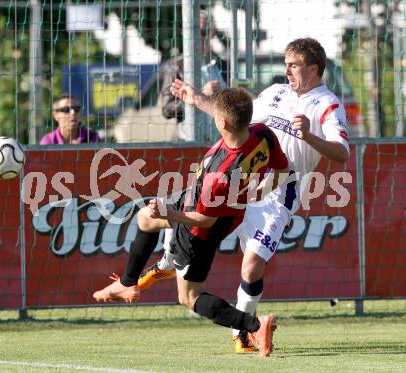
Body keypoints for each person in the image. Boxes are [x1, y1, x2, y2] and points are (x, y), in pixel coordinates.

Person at [137, 37, 350, 353]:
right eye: (287, 64)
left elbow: (342, 153)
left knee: (251, 268)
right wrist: (196, 99)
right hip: (244, 186)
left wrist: (309, 135)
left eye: (294, 65)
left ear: (314, 68)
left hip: (279, 195)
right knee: (189, 209)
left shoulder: (327, 104)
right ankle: (170, 258)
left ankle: (241, 333)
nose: (287, 71)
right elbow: (238, 121)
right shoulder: (277, 92)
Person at [93, 88, 289, 357]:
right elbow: (283, 170)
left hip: (200, 228)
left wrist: (169, 215)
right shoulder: (263, 134)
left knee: (189, 297)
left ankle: (254, 325)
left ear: (222, 123)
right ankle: (128, 282)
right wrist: (259, 192)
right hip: (224, 208)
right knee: (145, 217)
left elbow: (204, 220)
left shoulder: (218, 172)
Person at [161, 10, 227, 142]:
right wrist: (199, 95)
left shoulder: (224, 65)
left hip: (221, 144)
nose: (198, 38)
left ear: (212, 33)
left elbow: (235, 107)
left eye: (202, 32)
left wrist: (224, 98)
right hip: (188, 144)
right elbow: (167, 110)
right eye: (193, 33)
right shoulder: (175, 67)